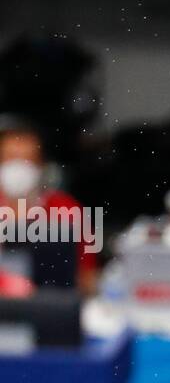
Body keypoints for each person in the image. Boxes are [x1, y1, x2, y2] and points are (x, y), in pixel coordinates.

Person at [0, 124, 99, 294]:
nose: (18, 169)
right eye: (11, 159)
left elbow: (88, 278)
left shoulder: (68, 208)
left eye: (27, 160)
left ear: (41, 166)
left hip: (51, 309)